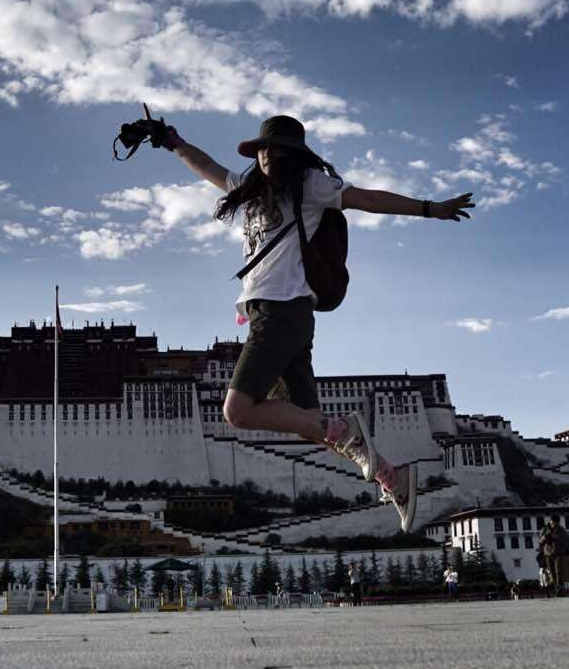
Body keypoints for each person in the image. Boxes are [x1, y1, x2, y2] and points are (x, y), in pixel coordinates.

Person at [162, 114, 475, 530]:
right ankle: (392, 477)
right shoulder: (248, 191)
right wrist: (171, 140)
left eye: (279, 148)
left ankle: (346, 429)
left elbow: (370, 199)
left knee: (237, 411)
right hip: (266, 313)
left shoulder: (310, 186)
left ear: (295, 155)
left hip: (283, 310)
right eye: (264, 148)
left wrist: (430, 209)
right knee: (310, 424)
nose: (270, 154)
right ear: (257, 155)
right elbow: (206, 167)